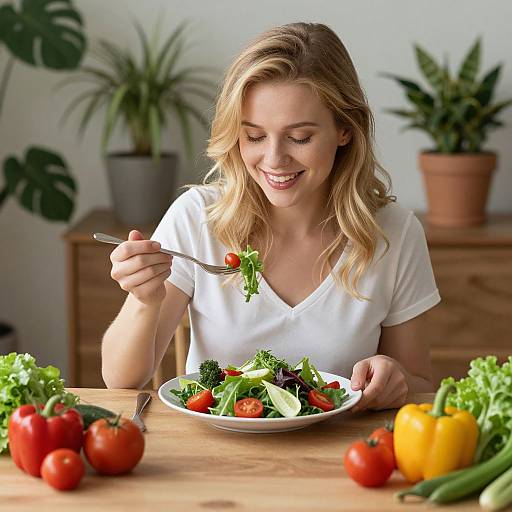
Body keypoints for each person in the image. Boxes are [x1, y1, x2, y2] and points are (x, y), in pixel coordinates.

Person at [101, 22, 440, 412]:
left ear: (344, 129)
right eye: (255, 136)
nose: (274, 160)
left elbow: (418, 382)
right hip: (214, 457)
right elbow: (120, 379)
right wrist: (144, 301)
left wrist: (393, 377)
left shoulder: (393, 233)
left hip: (340, 458)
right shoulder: (198, 219)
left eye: (300, 137)